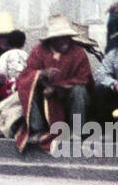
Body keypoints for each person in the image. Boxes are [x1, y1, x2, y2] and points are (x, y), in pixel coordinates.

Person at [10, 15, 94, 153]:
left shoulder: (78, 53)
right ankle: (37, 129)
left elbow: (84, 78)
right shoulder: (39, 51)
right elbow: (25, 76)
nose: (64, 41)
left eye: (66, 36)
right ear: (52, 39)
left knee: (79, 90)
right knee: (27, 86)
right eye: (59, 37)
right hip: (46, 101)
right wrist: (41, 74)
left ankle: (77, 130)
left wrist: (58, 88)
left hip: (69, 100)